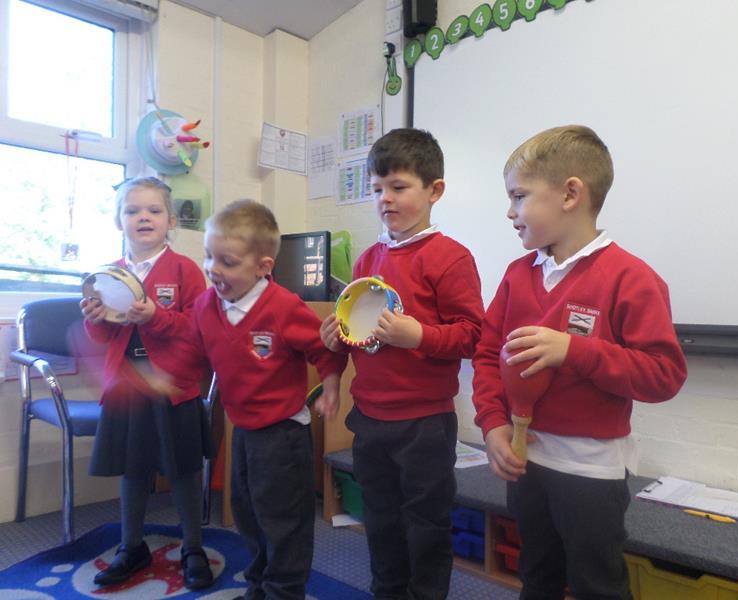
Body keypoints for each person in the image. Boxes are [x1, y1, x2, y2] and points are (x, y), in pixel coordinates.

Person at [471, 125, 688, 600]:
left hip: (591, 473)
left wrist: (574, 350)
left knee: (597, 585)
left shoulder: (631, 278)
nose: (509, 212)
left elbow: (664, 375)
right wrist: (492, 426)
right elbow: (487, 355)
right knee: (536, 574)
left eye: (519, 196)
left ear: (571, 194)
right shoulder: (516, 275)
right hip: (525, 462)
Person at [320, 128, 485, 600]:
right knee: (379, 517)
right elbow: (359, 336)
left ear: (435, 190)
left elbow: (473, 335)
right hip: (370, 418)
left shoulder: (450, 258)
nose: (385, 199)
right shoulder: (368, 260)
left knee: (426, 523)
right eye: (377, 189)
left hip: (423, 424)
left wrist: (419, 336)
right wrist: (337, 339)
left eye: (398, 187)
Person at [187, 199, 346, 600]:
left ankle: (283, 591)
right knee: (247, 512)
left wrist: (331, 386)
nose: (213, 269)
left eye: (227, 261)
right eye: (208, 256)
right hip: (242, 428)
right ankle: (259, 583)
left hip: (282, 433)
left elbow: (324, 349)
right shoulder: (206, 306)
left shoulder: (283, 307)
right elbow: (190, 351)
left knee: (283, 519)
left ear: (263, 267)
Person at [81, 176, 214, 590]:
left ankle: (193, 547)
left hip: (174, 388)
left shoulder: (185, 269)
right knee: (133, 469)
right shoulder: (108, 275)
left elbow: (197, 329)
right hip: (127, 389)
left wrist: (156, 316)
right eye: (132, 210)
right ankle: (131, 546)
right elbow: (103, 337)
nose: (143, 217)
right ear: (118, 221)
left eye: (154, 210)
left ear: (170, 220)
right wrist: (94, 319)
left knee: (183, 470)